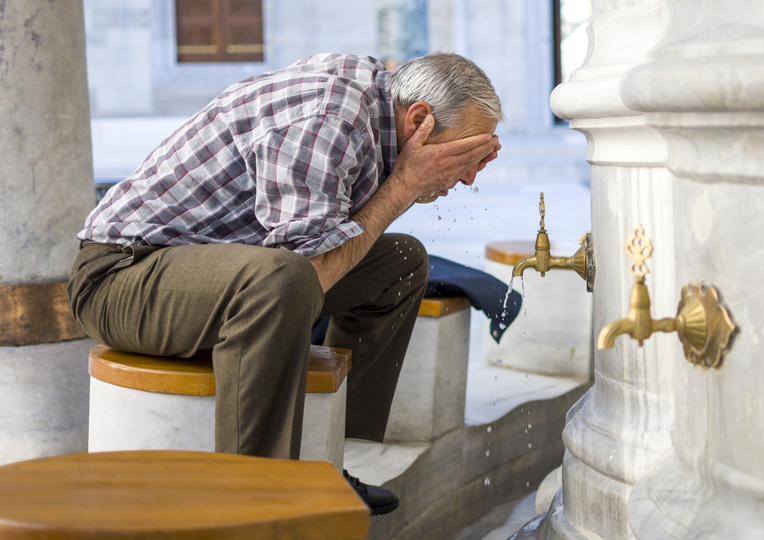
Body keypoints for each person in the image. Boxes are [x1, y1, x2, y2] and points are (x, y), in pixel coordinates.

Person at [67, 52, 503, 516]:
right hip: (121, 278)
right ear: (419, 120)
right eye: (466, 153)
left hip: (217, 272)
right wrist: (405, 184)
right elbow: (304, 275)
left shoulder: (376, 109)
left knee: (402, 262)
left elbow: (333, 242)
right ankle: (253, 502)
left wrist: (407, 181)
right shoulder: (331, 118)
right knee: (286, 278)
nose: (471, 177)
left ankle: (328, 460)